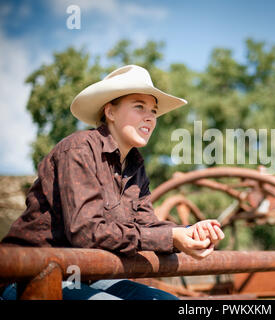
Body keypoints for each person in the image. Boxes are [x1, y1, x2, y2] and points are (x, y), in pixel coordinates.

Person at [0, 65, 225, 300]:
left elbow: (147, 226)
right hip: (30, 275)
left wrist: (188, 233)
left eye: (154, 111)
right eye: (139, 107)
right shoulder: (78, 150)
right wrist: (172, 237)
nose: (150, 116)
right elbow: (86, 233)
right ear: (111, 112)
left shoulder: (135, 167)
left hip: (85, 274)